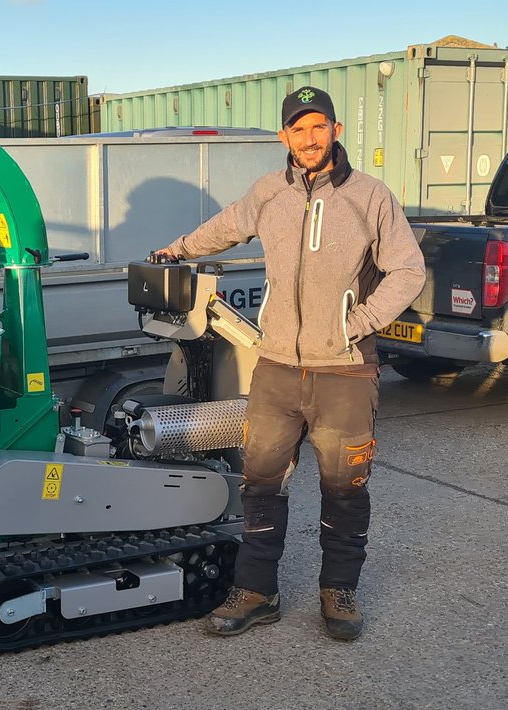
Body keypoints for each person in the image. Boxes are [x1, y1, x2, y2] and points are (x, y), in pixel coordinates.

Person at [154, 86, 426, 641]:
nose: (308, 138)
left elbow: (408, 270)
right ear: (284, 137)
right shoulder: (269, 192)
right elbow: (226, 226)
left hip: (345, 371)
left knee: (344, 488)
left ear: (336, 130)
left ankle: (338, 592)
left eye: (318, 127)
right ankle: (257, 592)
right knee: (260, 485)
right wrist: (178, 251)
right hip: (276, 368)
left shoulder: (371, 197)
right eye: (297, 129)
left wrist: (357, 323)